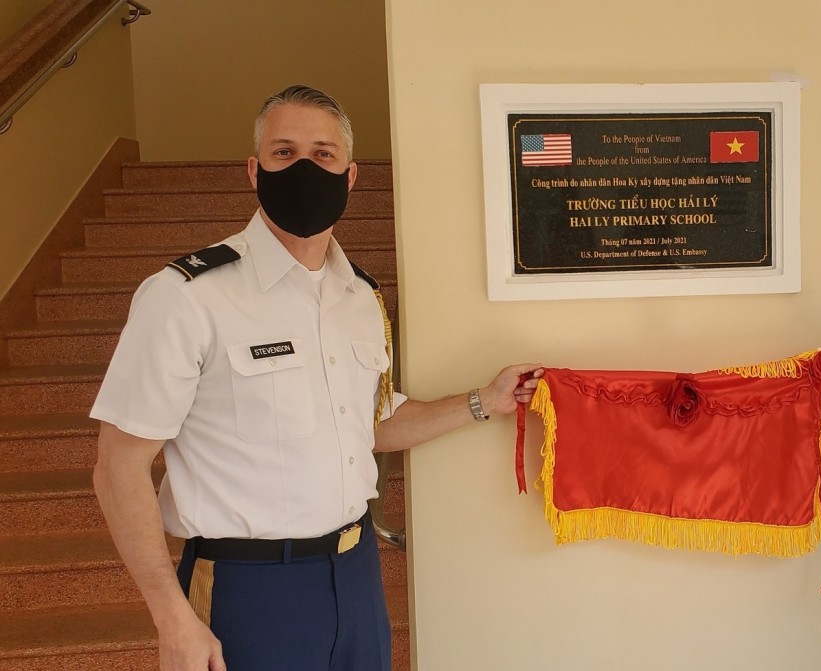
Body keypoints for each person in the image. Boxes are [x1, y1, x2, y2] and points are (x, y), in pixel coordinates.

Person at [91, 84, 542, 671]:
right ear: (254, 170)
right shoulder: (186, 297)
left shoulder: (359, 296)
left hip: (355, 578)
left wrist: (484, 401)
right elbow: (118, 465)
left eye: (323, 154)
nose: (305, 167)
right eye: (284, 153)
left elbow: (371, 424)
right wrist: (171, 617)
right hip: (246, 589)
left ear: (350, 176)